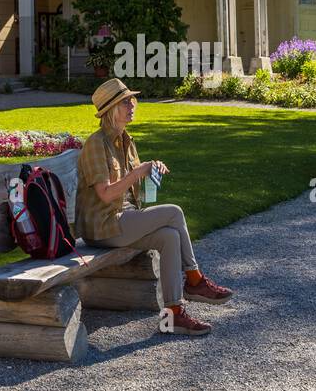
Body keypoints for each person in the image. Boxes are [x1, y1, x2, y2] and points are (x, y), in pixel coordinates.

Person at [76, 78, 233, 336]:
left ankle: (173, 314)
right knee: (175, 212)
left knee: (169, 237)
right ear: (111, 110)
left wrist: (150, 171)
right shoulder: (97, 143)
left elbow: (136, 191)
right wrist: (137, 172)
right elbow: (104, 195)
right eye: (125, 101)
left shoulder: (126, 141)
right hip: (103, 225)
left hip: (124, 220)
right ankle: (194, 281)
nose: (132, 105)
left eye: (132, 100)